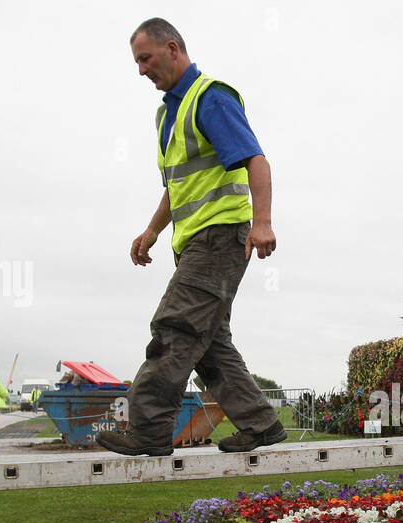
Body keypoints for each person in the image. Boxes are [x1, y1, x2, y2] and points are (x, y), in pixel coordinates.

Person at [97, 18, 285, 457]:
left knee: (174, 329)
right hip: (196, 244)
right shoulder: (168, 112)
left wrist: (263, 222)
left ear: (173, 48)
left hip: (220, 238)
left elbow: (256, 160)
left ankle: (149, 430)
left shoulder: (210, 97)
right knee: (208, 345)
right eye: (137, 62)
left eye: (146, 58)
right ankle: (261, 425)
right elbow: (177, 187)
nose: (141, 70)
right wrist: (152, 230)